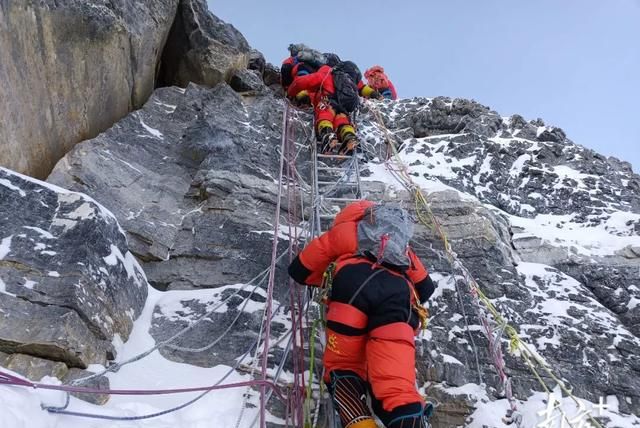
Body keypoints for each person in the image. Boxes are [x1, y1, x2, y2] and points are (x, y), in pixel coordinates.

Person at [288, 200, 437, 428]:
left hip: (352, 287)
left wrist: (326, 280)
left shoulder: (346, 231)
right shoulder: (401, 245)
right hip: (396, 295)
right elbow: (426, 289)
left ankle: (361, 423)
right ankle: (408, 420)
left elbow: (299, 270)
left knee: (345, 366)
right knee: (396, 382)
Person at [286, 60, 368, 155]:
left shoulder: (326, 74)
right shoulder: (350, 83)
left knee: (325, 116)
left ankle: (328, 135)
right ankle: (349, 137)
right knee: (342, 122)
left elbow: (301, 82)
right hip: (344, 108)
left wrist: (289, 93)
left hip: (327, 102)